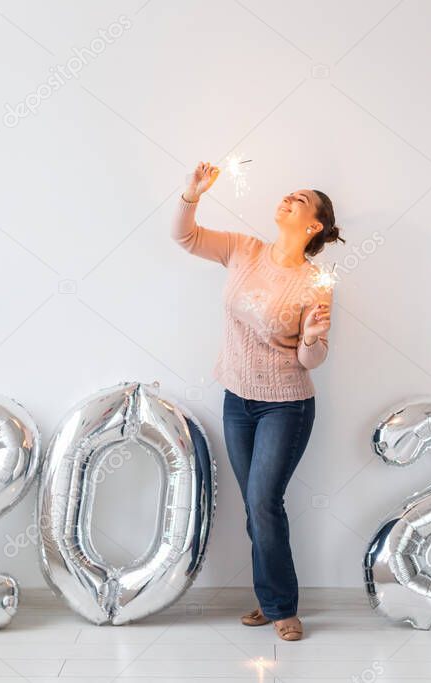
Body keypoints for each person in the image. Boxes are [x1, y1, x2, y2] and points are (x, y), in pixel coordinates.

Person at [170, 161, 344, 640]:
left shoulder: (316, 283)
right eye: (287, 193)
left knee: (265, 502)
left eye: (300, 199)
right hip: (237, 400)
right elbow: (184, 238)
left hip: (286, 405)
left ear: (313, 226)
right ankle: (270, 600)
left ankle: (283, 607)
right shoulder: (243, 249)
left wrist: (311, 336)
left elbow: (313, 359)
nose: (288, 198)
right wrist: (192, 194)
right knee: (254, 505)